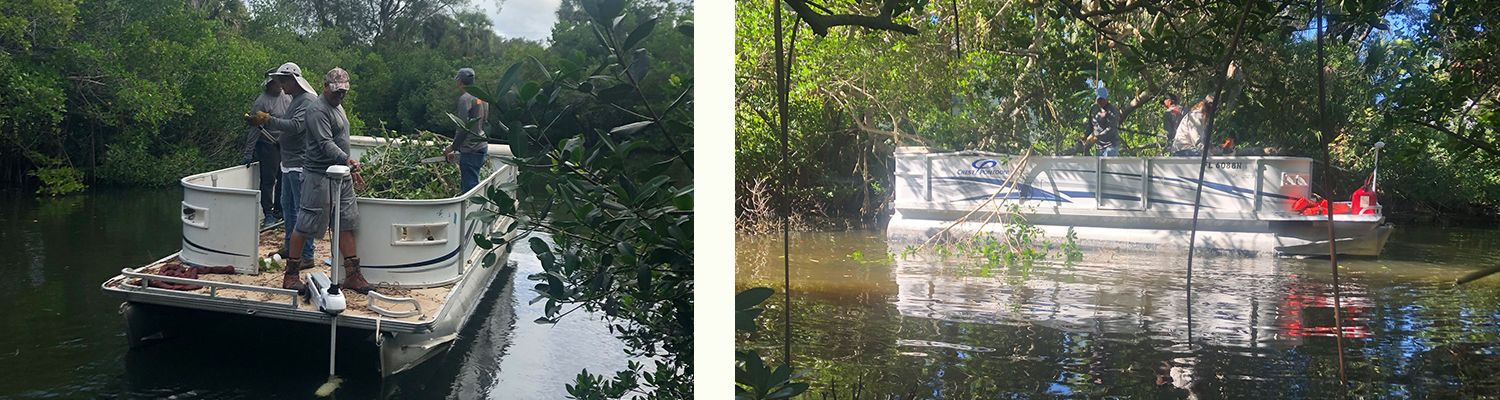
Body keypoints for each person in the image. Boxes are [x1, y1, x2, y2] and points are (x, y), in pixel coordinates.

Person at [285, 67, 373, 294]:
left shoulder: (338, 106)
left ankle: (352, 275)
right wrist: (347, 160)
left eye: (343, 91)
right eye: (335, 91)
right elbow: (325, 143)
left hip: (341, 175)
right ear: (325, 86)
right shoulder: (317, 110)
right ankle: (291, 275)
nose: (339, 95)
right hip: (319, 176)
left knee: (346, 221)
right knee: (305, 223)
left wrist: (347, 167)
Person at [247, 62, 319, 288]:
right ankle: (290, 247)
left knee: (301, 210)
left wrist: (267, 120)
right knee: (288, 207)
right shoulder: (295, 99)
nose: (280, 85)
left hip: (300, 163)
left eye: (283, 80)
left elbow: (296, 126)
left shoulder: (307, 101)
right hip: (288, 162)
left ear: (293, 81)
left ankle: (306, 254)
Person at [241, 74, 291, 227]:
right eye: (276, 82)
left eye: (280, 82)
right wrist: (248, 152)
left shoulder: (287, 97)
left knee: (283, 178)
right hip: (267, 144)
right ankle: (268, 214)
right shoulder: (262, 102)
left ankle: (279, 211)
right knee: (268, 180)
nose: (279, 85)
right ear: (269, 84)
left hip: (284, 144)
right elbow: (255, 129)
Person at [445, 67, 489, 193]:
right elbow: (485, 121)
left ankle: (471, 206)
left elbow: (463, 127)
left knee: (470, 188)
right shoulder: (482, 97)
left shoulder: (465, 99)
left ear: (460, 81)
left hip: (470, 149)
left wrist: (452, 147)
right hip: (481, 145)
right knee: (473, 180)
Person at [1084, 86, 1122, 157]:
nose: (1101, 102)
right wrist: (1085, 135)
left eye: (1103, 99)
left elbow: (1111, 128)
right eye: (1099, 99)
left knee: (1108, 157)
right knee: (1099, 162)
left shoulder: (1112, 111)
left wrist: (1097, 137)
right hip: (1099, 147)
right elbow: (1090, 125)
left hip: (1111, 145)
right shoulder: (1093, 109)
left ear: (1107, 99)